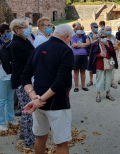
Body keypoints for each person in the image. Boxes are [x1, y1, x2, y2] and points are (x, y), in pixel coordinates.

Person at [21, 24, 74, 154]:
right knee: (61, 142)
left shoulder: (38, 48)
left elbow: (25, 77)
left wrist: (34, 97)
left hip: (38, 103)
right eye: (70, 39)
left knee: (41, 136)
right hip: (57, 103)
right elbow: (60, 81)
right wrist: (38, 99)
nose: (69, 41)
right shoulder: (66, 50)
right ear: (66, 36)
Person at [10, 19, 35, 151]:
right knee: (29, 111)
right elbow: (32, 57)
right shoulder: (17, 44)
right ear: (17, 30)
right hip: (21, 81)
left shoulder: (24, 40)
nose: (28, 28)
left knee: (26, 110)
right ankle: (29, 141)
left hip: (25, 78)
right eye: (25, 27)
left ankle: (23, 135)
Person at [87, 30, 118, 103]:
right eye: (102, 36)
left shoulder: (109, 42)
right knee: (99, 80)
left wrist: (108, 45)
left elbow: (113, 53)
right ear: (99, 37)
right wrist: (99, 55)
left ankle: (108, 94)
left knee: (108, 79)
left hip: (108, 64)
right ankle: (98, 95)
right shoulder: (95, 44)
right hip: (99, 64)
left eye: (105, 36)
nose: (104, 38)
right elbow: (92, 55)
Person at [71, 23, 90, 92]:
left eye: (80, 29)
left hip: (84, 56)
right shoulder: (73, 37)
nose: (79, 30)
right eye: (78, 29)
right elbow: (74, 45)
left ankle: (83, 86)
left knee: (83, 71)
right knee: (76, 72)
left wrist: (80, 45)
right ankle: (76, 86)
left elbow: (88, 43)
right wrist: (83, 45)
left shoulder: (84, 36)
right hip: (76, 56)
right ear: (75, 30)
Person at [86, 22, 99, 87]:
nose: (96, 28)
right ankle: (91, 81)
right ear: (91, 28)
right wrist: (98, 40)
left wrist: (95, 41)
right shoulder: (89, 34)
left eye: (97, 27)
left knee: (99, 67)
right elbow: (90, 42)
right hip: (91, 52)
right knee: (90, 67)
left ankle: (99, 81)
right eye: (95, 27)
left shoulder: (99, 33)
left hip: (99, 52)